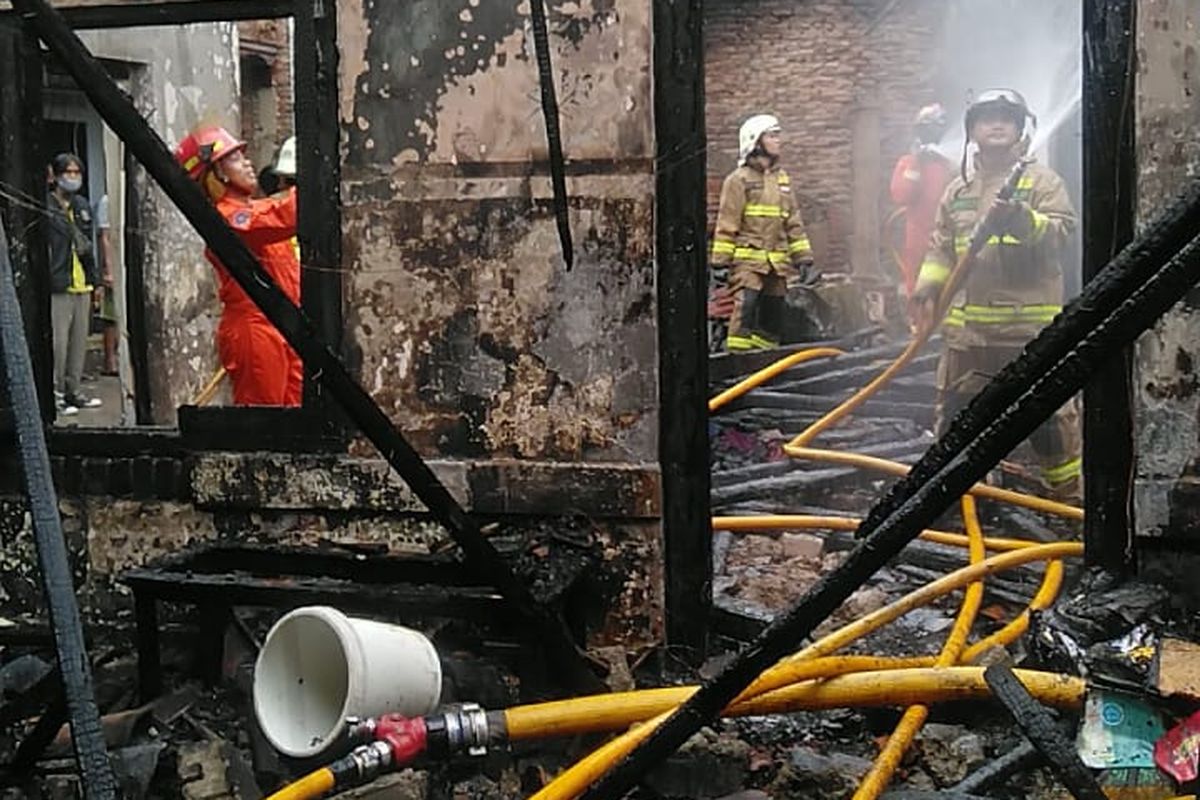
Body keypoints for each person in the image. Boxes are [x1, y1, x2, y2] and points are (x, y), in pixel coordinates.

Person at [910, 89, 1080, 501]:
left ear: (1021, 128)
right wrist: (928, 287)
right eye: (988, 118)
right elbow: (940, 247)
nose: (998, 124)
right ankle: (949, 495)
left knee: (1048, 420)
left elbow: (1061, 233)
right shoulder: (958, 190)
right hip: (967, 334)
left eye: (1007, 117)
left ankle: (1068, 498)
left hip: (1026, 331)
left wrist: (1024, 221)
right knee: (954, 417)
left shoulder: (1042, 182)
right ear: (972, 130)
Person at [174, 124, 302, 406]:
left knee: (295, 414)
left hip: (282, 323)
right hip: (255, 327)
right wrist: (313, 182)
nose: (247, 163)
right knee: (266, 420)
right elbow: (286, 216)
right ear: (216, 172)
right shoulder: (228, 218)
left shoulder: (251, 209)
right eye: (235, 158)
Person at [710, 114, 813, 351]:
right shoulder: (738, 180)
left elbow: (794, 223)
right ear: (755, 141)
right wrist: (720, 264)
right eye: (772, 135)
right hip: (748, 263)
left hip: (776, 264)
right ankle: (737, 363)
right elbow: (727, 223)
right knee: (745, 311)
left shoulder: (782, 180)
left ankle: (766, 363)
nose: (779, 140)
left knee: (772, 316)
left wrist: (805, 261)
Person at [46, 153, 103, 415]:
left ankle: (73, 391)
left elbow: (88, 246)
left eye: (76, 172)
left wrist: (96, 280)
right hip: (59, 283)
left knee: (78, 343)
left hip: (82, 283)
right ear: (55, 176)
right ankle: (55, 395)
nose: (72, 177)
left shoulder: (81, 205)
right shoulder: (47, 205)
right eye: (67, 173)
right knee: (58, 344)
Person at [889, 103, 953, 297]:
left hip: (951, 240)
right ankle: (919, 325)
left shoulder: (953, 162)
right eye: (928, 129)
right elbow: (902, 195)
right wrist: (916, 162)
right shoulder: (908, 163)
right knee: (918, 291)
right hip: (919, 242)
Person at [95, 193, 118, 376]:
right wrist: (108, 268)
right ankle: (110, 360)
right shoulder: (107, 201)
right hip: (114, 261)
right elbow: (104, 237)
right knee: (110, 315)